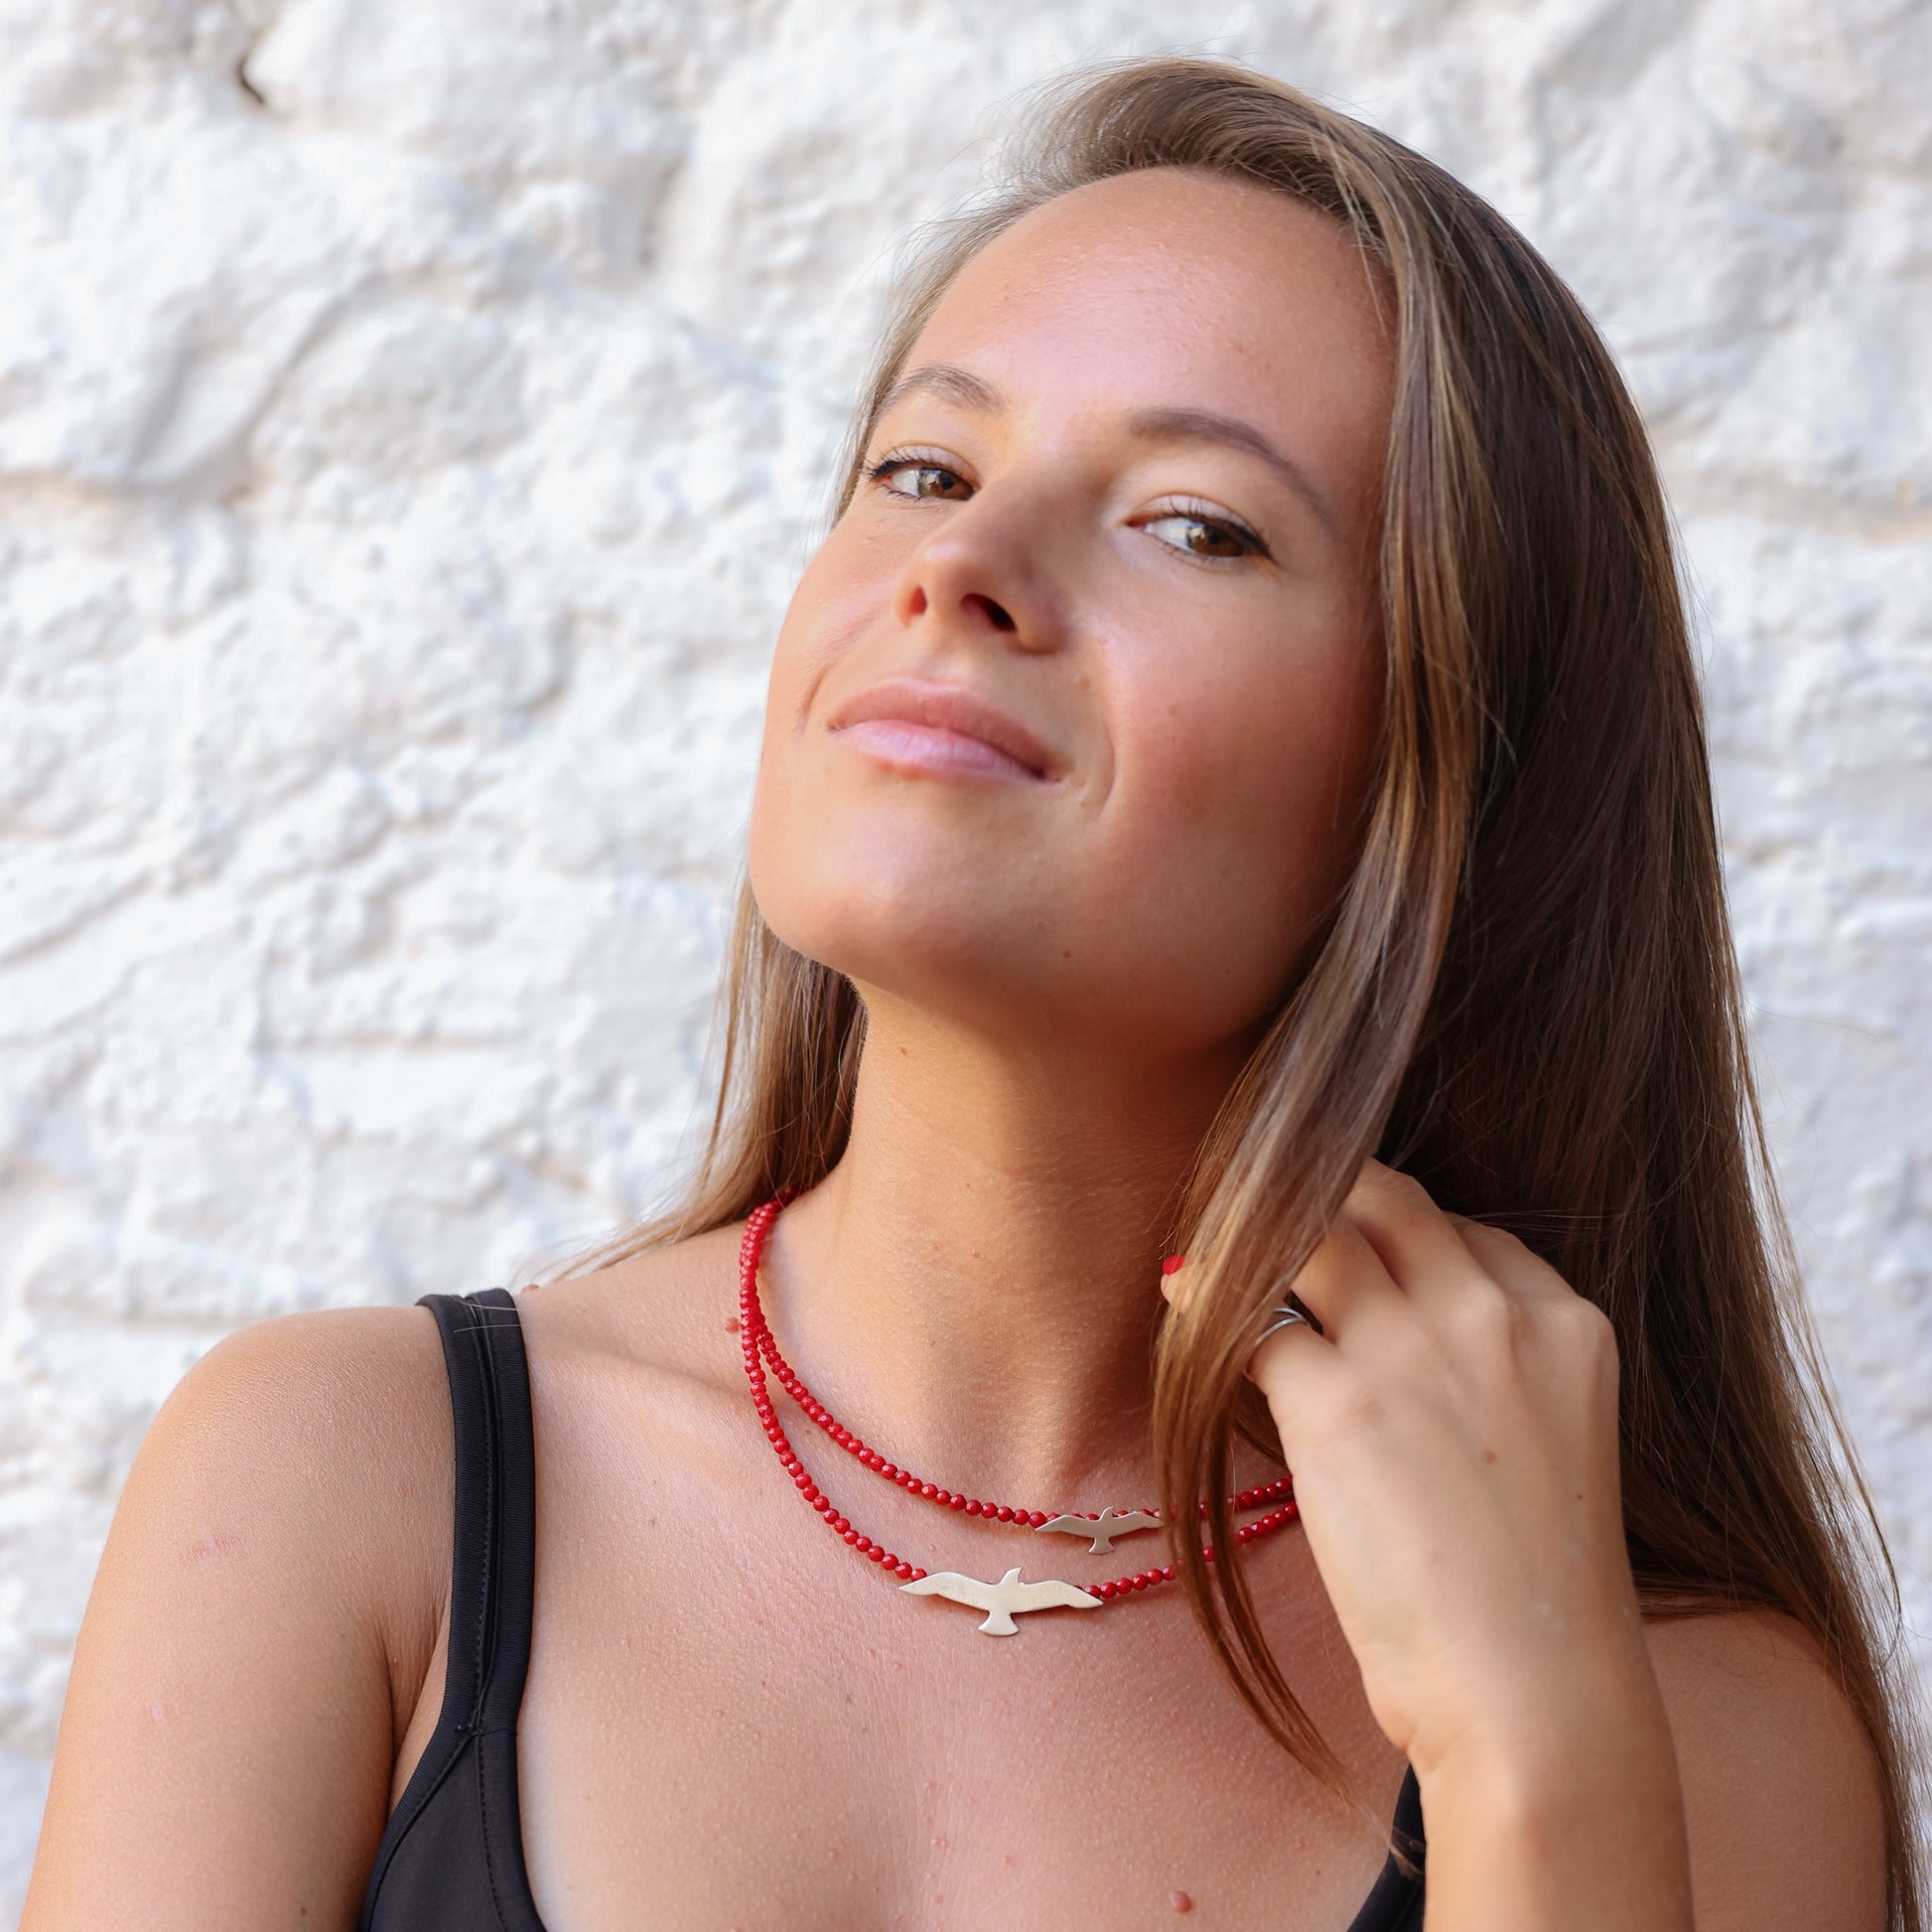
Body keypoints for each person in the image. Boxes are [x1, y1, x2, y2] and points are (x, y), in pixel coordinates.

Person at [22, 56, 1922, 1932]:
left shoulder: (1686, 1728)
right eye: (922, 468)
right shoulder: (336, 1482)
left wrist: (1536, 1768)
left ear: (1454, 773)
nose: (961, 566)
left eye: (1194, 522)